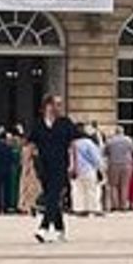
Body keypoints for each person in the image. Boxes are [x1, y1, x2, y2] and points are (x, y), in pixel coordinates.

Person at [27, 95, 80, 242]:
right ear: (47, 106)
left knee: (53, 195)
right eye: (56, 104)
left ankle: (43, 228)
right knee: (52, 197)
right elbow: (31, 145)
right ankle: (60, 229)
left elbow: (73, 145)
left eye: (60, 105)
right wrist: (27, 166)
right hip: (43, 165)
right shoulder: (38, 124)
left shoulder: (65, 123)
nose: (59, 107)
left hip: (60, 164)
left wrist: (74, 165)